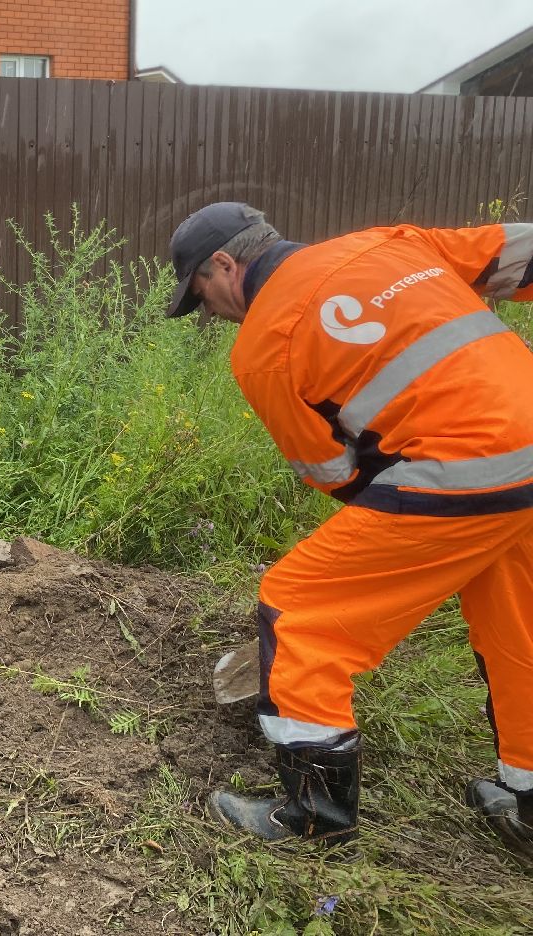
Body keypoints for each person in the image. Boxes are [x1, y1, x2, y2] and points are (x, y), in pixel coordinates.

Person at [166, 200, 533, 859]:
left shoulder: (263, 349)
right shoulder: (389, 244)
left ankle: (315, 816)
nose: (212, 316)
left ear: (226, 264)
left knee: (301, 607)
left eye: (202, 297)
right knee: (519, 627)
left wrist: (403, 551)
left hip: (465, 473)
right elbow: (518, 251)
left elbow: (335, 471)